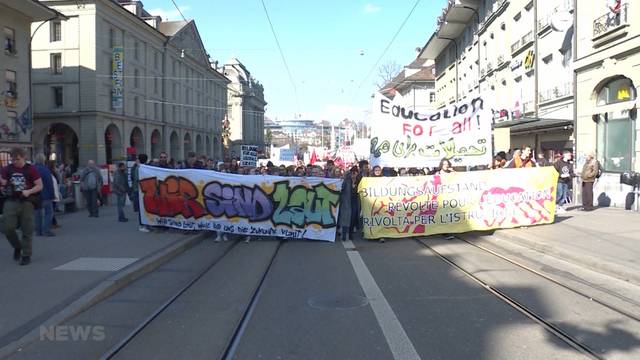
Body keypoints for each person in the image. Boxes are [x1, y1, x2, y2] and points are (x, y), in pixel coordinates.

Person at [1, 147, 43, 265]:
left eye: (17, 159)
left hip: (26, 201)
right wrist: (3, 186)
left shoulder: (31, 169)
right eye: (13, 159)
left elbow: (39, 185)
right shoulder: (7, 169)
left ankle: (26, 254)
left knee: (27, 228)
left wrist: (29, 191)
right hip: (11, 200)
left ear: (24, 157)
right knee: (7, 227)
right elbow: (3, 183)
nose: (15, 162)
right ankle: (17, 246)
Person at [34, 154, 55, 237]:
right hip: (45, 195)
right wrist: (52, 195)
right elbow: (50, 183)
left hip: (35, 195)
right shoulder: (45, 170)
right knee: (49, 212)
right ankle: (46, 230)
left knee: (37, 214)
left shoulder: (32, 169)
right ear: (43, 160)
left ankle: (38, 231)